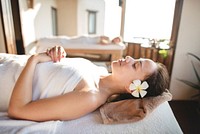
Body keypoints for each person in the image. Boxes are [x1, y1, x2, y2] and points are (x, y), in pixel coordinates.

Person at [5, 45, 169, 121]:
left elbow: (18, 109)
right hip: (8, 62)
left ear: (133, 88)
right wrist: (56, 53)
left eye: (135, 65)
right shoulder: (98, 70)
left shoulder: (90, 97)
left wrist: (34, 60)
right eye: (136, 59)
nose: (129, 58)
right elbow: (57, 73)